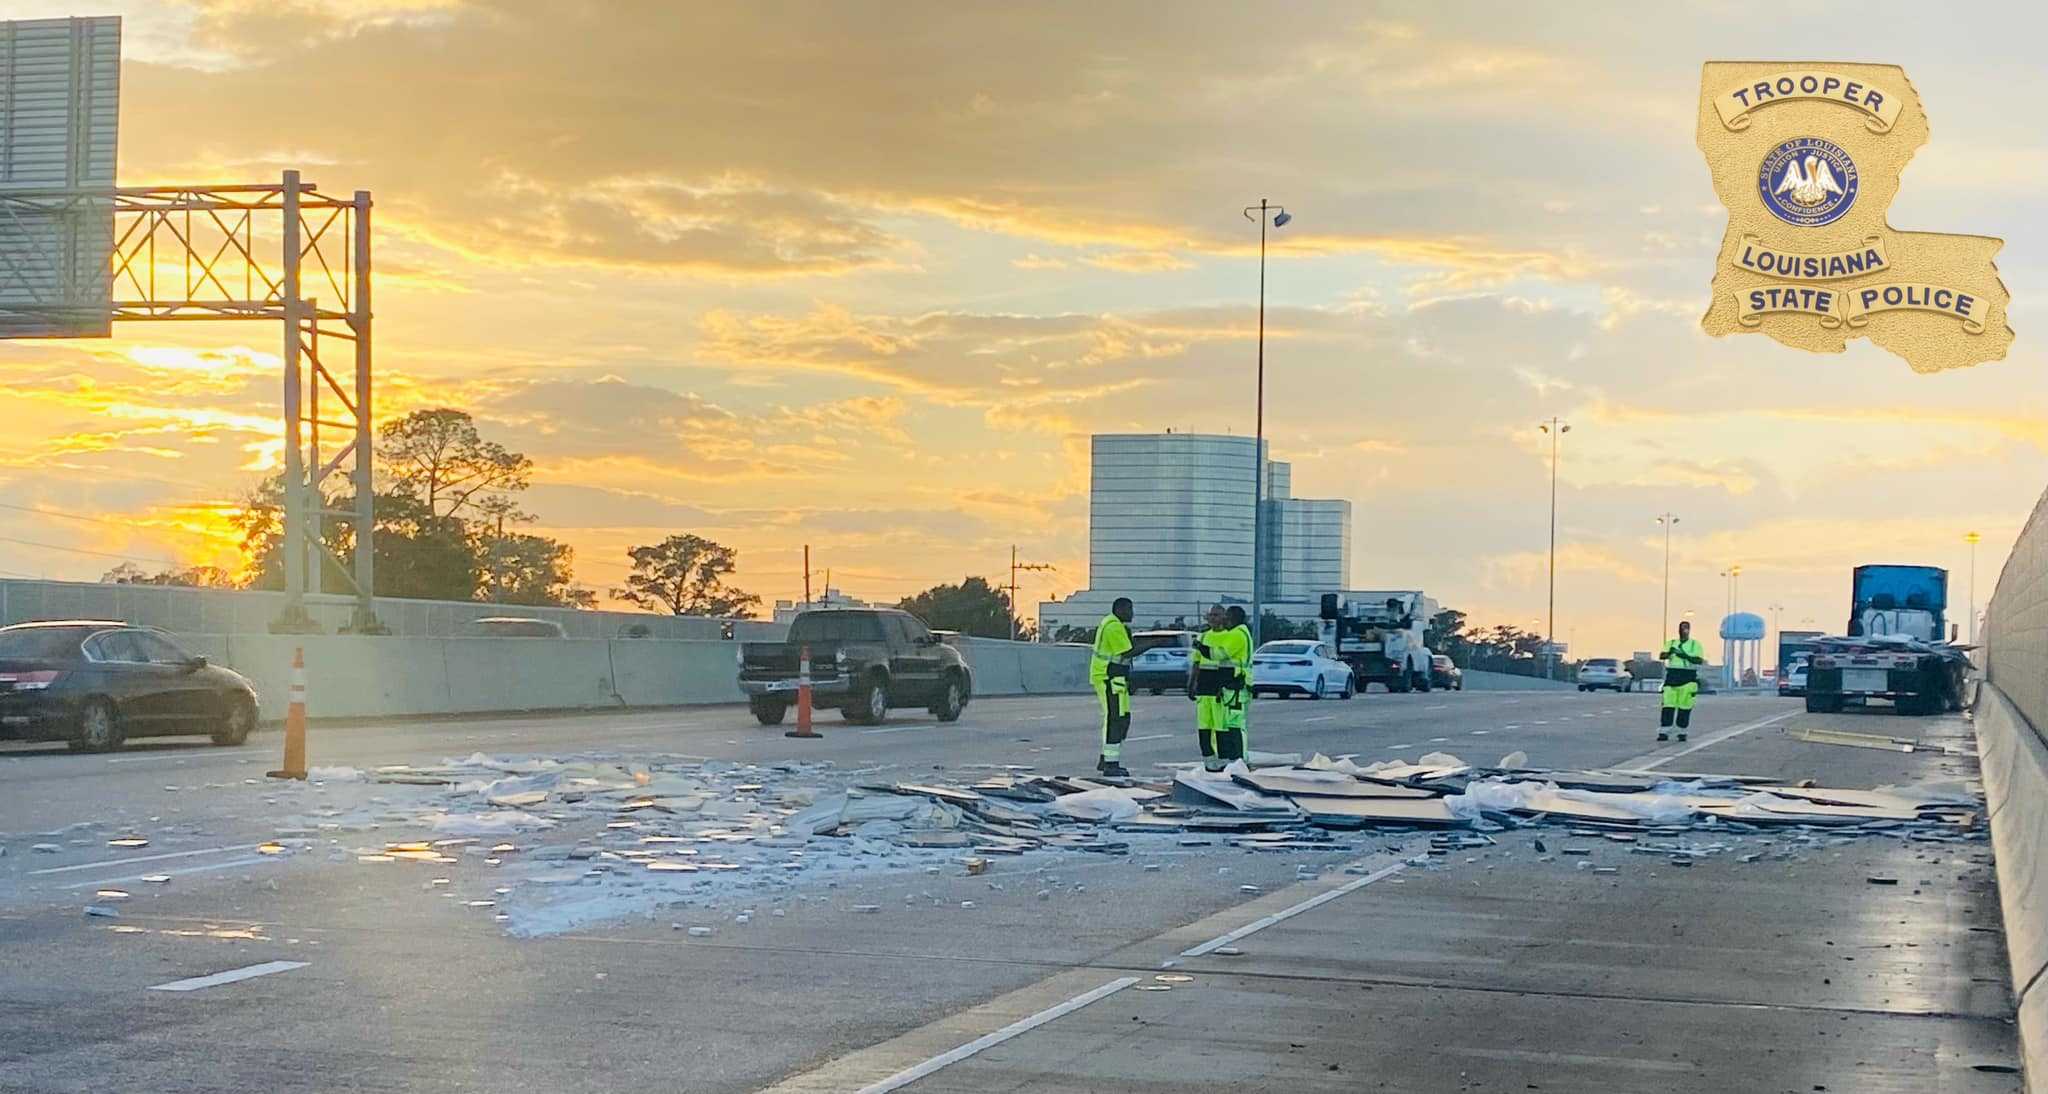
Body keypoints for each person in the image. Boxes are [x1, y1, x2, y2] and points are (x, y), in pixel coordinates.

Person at [1189, 604, 1252, 771]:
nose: (1218, 619)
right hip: (1209, 687)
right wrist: (1192, 683)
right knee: (1206, 726)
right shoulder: (1205, 636)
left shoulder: (1234, 635)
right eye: (1213, 615)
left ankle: (1233, 761)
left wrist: (1199, 647)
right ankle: (1213, 763)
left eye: (1221, 616)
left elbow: (1218, 655)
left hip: (1228, 686)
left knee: (1227, 727)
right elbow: (1197, 662)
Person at [1090, 597, 1136, 778]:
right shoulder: (1113, 626)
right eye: (1130, 609)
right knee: (1114, 719)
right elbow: (1126, 652)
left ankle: (1105, 758)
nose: (1132, 613)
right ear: (1121, 609)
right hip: (1107, 676)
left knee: (1122, 718)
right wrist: (1153, 644)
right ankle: (1111, 764)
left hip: (1117, 678)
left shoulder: (1116, 625)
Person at [1657, 619, 1706, 741]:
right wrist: (1670, 653)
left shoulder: (1695, 644)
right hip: (1672, 677)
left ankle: (1682, 732)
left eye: (1686, 628)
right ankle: (1664, 732)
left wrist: (1684, 655)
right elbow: (1662, 655)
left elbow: (1699, 661)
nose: (1683, 630)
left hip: (1688, 678)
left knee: (1685, 707)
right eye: (1681, 628)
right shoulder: (1671, 642)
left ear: (1689, 630)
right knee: (1667, 706)